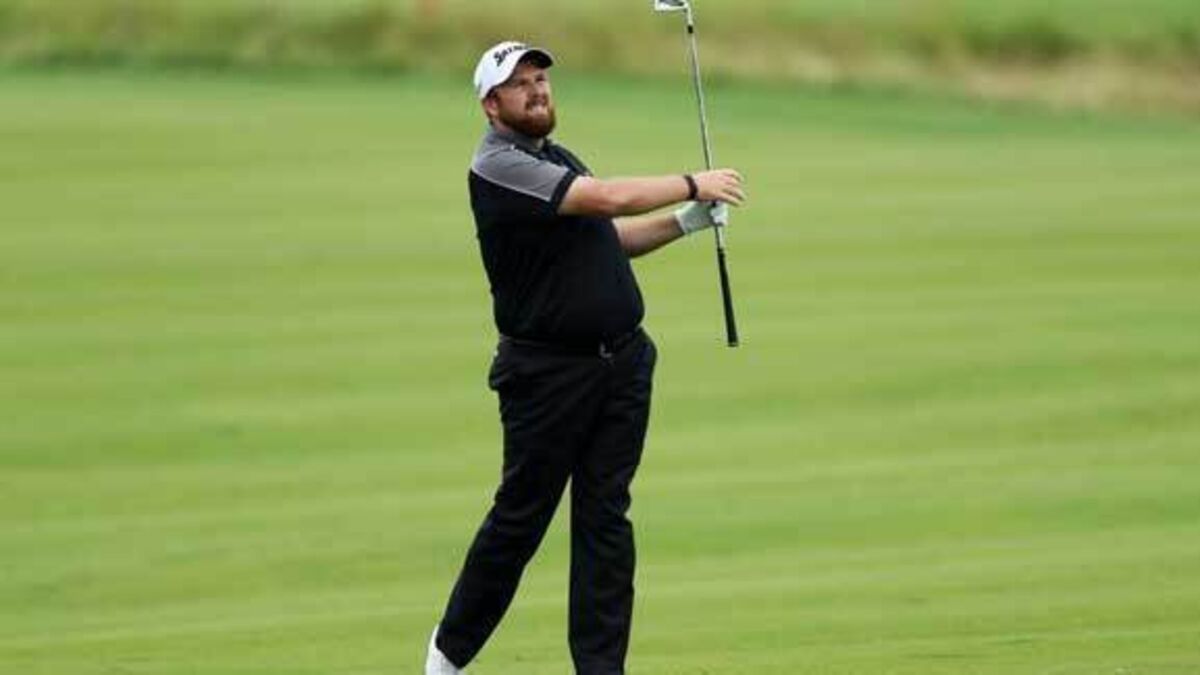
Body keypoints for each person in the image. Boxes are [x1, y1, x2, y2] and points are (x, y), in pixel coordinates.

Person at [425, 41, 746, 675]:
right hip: (548, 376)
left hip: (620, 365)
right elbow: (606, 199)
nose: (537, 90)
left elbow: (608, 237)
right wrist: (693, 182)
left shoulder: (556, 157)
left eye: (541, 79)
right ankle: (448, 655)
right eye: (520, 84)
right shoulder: (498, 166)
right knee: (520, 521)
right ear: (491, 105)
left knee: (605, 522)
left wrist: (686, 221)